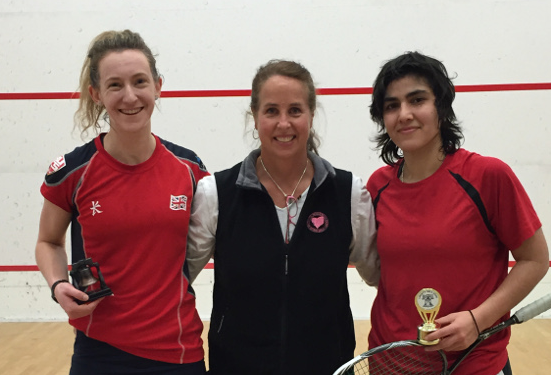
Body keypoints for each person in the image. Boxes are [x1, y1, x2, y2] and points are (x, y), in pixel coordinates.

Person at [187, 59, 380, 375]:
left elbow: (381, 275)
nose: (284, 123)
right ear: (255, 116)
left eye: (295, 110)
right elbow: (177, 279)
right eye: (272, 111)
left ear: (311, 115)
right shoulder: (215, 194)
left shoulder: (349, 193)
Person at [35, 30, 209, 375]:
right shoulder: (73, 172)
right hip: (99, 351)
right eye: (115, 85)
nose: (130, 96)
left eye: (140, 81)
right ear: (96, 94)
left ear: (158, 86)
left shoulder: (191, 171)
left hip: (178, 349)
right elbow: (48, 241)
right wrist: (58, 286)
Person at [366, 51, 549, 375]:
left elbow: (534, 259)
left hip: (472, 363)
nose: (404, 114)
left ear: (441, 107)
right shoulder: (378, 186)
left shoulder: (487, 176)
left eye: (417, 100)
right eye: (392, 106)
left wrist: (479, 319)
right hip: (390, 361)